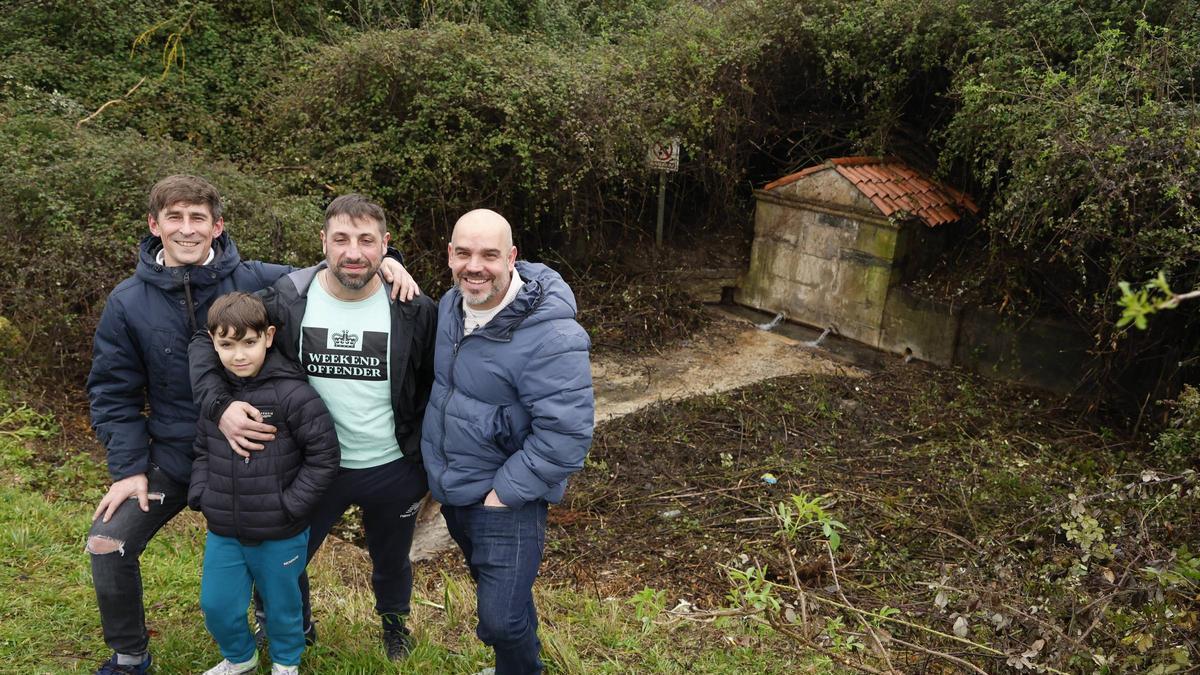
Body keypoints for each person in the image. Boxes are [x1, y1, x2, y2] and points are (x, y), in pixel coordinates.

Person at [85, 175, 417, 675]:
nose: (187, 229)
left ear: (217, 226)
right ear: (154, 225)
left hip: (259, 455)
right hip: (172, 458)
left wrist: (389, 264)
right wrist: (129, 468)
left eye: (198, 218)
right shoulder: (127, 302)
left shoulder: (260, 280)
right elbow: (112, 392)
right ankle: (130, 656)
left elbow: (340, 268)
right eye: (174, 218)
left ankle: (284, 629)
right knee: (107, 541)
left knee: (277, 539)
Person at [189, 194, 437, 661]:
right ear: (323, 242)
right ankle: (295, 628)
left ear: (385, 244)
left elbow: (432, 383)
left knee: (391, 559)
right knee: (287, 561)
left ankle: (394, 625)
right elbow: (208, 341)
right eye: (341, 239)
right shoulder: (288, 300)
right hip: (311, 465)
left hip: (393, 466)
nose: (353, 252)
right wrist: (219, 406)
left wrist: (427, 457)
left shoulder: (413, 308)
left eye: (366, 241)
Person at [421, 209, 595, 675]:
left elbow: (567, 434)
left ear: (512, 257)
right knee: (505, 599)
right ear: (449, 254)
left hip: (507, 498)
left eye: (489, 255)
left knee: (499, 620)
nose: (474, 266)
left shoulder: (551, 335)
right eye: (463, 253)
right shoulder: (449, 307)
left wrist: (503, 494)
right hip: (455, 489)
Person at [190, 292, 340, 675]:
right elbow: (203, 450)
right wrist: (202, 494)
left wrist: (289, 506)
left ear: (268, 337)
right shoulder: (215, 400)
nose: (239, 355)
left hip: (280, 531)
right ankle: (241, 657)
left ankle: (287, 663)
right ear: (212, 343)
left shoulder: (295, 395)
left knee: (282, 606)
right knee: (216, 604)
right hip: (225, 529)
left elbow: (324, 457)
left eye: (249, 343)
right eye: (227, 345)